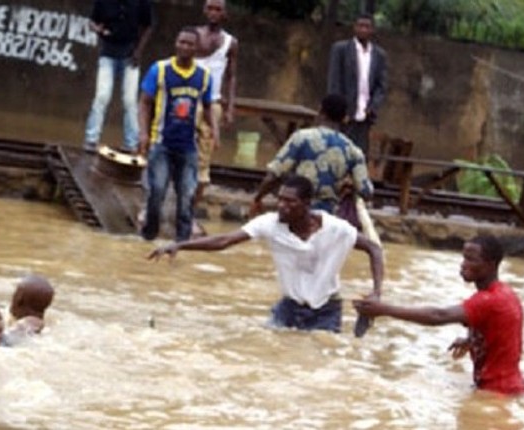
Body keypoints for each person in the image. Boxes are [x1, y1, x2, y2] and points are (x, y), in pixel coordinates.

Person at [148, 175, 383, 333]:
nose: (281, 206)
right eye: (279, 199)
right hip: (289, 307)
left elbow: (374, 248)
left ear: (306, 204)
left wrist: (376, 292)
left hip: (326, 311)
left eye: (289, 202)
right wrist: (180, 245)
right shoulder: (269, 224)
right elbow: (224, 240)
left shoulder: (335, 228)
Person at [353, 235, 524, 396]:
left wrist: (383, 309)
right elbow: (502, 331)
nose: (463, 264)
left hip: (498, 392)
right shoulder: (504, 293)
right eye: (463, 257)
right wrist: (471, 341)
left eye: (471, 259)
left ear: (491, 265)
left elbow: (438, 315)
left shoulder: (488, 299)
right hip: (504, 388)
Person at [139, 27, 218, 242]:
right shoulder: (160, 70)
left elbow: (208, 106)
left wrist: (214, 131)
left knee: (187, 198)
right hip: (161, 143)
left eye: (189, 44)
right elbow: (145, 103)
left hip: (188, 146)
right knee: (156, 192)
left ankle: (182, 244)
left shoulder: (203, 77)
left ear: (197, 48)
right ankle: (148, 237)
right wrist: (143, 133)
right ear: (176, 43)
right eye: (181, 42)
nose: (184, 47)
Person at [251, 94, 373, 215]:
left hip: (296, 211)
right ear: (345, 118)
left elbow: (274, 175)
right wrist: (349, 187)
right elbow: (366, 191)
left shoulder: (301, 138)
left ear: (320, 111)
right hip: (326, 215)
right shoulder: (353, 151)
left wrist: (258, 198)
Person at [84, 0, 153, 154]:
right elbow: (91, 21)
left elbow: (147, 26)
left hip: (130, 55)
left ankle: (131, 143)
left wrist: (138, 51)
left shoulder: (142, 3)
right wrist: (98, 29)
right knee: (102, 96)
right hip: (108, 53)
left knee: (129, 100)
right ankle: (91, 139)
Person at [194, 0, 238, 212]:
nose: (213, 13)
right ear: (204, 11)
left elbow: (231, 76)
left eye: (218, 9)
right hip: (188, 99)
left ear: (224, 14)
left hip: (213, 102)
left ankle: (192, 207)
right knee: (177, 147)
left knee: (205, 155)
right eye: (210, 8)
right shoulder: (192, 36)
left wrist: (229, 107)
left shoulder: (230, 42)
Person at [327, 13, 387, 156]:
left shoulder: (379, 55)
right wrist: (339, 111)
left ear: (372, 30)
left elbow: (381, 86)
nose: (363, 30)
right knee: (339, 153)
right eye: (360, 26)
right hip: (344, 114)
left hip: (365, 115)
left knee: (359, 155)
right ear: (354, 28)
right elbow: (334, 82)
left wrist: (372, 107)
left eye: (367, 27)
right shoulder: (340, 49)